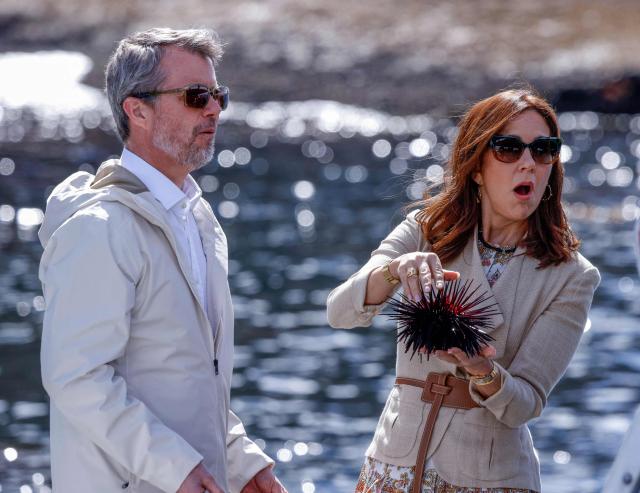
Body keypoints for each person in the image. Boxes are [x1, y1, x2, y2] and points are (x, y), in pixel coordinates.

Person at [38, 28, 287, 493]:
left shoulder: (198, 219)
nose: (214, 108)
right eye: (195, 96)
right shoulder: (100, 229)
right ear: (137, 110)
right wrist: (173, 467)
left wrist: (240, 461)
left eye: (218, 95)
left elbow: (192, 375)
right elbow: (76, 377)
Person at [326, 88, 600, 493]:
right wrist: (394, 272)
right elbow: (339, 312)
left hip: (488, 479)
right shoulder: (425, 229)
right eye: (508, 148)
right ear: (475, 166)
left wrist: (479, 368)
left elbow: (525, 403)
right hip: (393, 467)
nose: (528, 162)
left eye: (543, 150)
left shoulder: (571, 276)